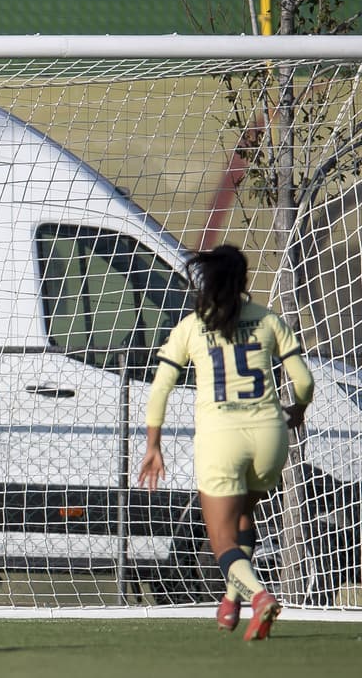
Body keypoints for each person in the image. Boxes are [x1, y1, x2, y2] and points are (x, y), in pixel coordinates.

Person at [137, 244, 314, 641]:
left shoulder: (191, 326)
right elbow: (303, 381)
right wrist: (298, 410)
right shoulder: (269, 320)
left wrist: (153, 445)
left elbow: (160, 388)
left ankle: (259, 597)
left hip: (221, 439)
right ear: (243, 280)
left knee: (221, 541)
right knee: (242, 518)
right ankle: (231, 602)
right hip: (271, 437)